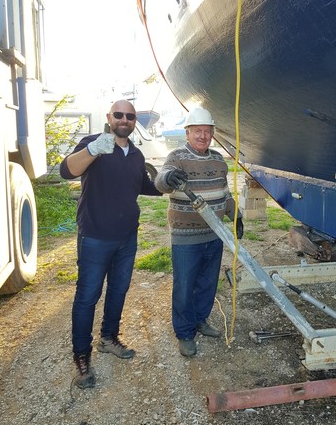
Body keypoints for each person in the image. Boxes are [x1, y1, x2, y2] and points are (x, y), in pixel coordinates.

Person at [60, 99, 162, 389]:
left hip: (127, 238)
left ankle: (108, 338)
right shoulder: (93, 143)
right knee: (87, 297)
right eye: (119, 115)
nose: (124, 120)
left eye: (130, 116)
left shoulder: (136, 154)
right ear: (109, 117)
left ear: (134, 122)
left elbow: (145, 186)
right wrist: (93, 150)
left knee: (118, 290)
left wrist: (167, 182)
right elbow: (67, 171)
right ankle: (82, 357)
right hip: (94, 237)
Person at [155, 107, 243, 357]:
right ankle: (185, 333)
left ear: (212, 133)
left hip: (215, 234)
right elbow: (160, 181)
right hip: (185, 238)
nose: (203, 136)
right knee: (184, 286)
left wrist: (235, 215)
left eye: (207, 131)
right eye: (197, 131)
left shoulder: (218, 159)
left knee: (207, 283)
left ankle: (200, 320)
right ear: (188, 133)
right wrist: (168, 178)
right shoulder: (177, 157)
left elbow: (224, 192)